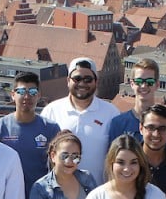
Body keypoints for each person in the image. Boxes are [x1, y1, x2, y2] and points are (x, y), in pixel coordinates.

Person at [41, 57, 120, 185]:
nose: (82, 83)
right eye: (77, 79)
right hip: (59, 194)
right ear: (68, 81)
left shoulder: (111, 113)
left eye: (88, 79)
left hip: (97, 193)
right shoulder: (51, 111)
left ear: (96, 82)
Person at [108, 58, 166, 154]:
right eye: (139, 81)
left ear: (157, 84)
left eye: (149, 81)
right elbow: (113, 161)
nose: (143, 86)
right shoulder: (118, 123)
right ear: (132, 84)